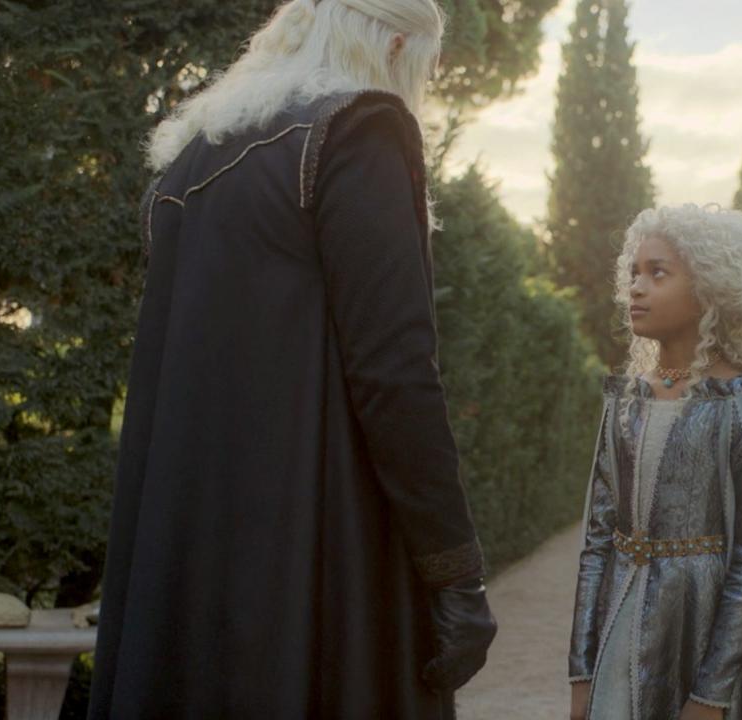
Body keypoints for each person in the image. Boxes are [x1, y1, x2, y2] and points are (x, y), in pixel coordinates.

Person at [87, 1, 496, 718]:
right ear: (397, 44)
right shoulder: (360, 128)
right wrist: (455, 571)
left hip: (182, 550)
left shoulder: (191, 157)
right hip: (314, 553)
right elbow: (393, 371)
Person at [568, 204, 742, 720]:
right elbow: (597, 544)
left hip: (700, 636)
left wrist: (710, 694)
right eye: (634, 273)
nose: (635, 288)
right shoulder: (626, 403)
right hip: (617, 641)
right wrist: (581, 671)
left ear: (710, 288)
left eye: (657, 273)